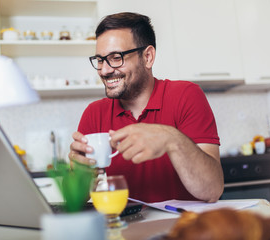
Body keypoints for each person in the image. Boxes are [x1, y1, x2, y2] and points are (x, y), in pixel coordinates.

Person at [69, 12, 224, 203]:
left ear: (148, 57)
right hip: (124, 231)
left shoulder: (186, 95)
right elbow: (77, 201)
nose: (104, 70)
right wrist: (79, 174)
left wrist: (171, 139)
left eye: (116, 57)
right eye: (100, 60)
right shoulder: (94, 113)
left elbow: (212, 190)